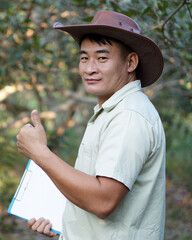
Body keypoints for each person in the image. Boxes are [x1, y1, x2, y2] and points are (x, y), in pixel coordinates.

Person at [16, 10, 166, 239]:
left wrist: (39, 152)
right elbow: (96, 190)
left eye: (102, 58)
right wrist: (64, 221)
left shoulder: (129, 116)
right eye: (84, 58)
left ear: (131, 62)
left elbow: (103, 200)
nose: (89, 68)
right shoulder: (111, 111)